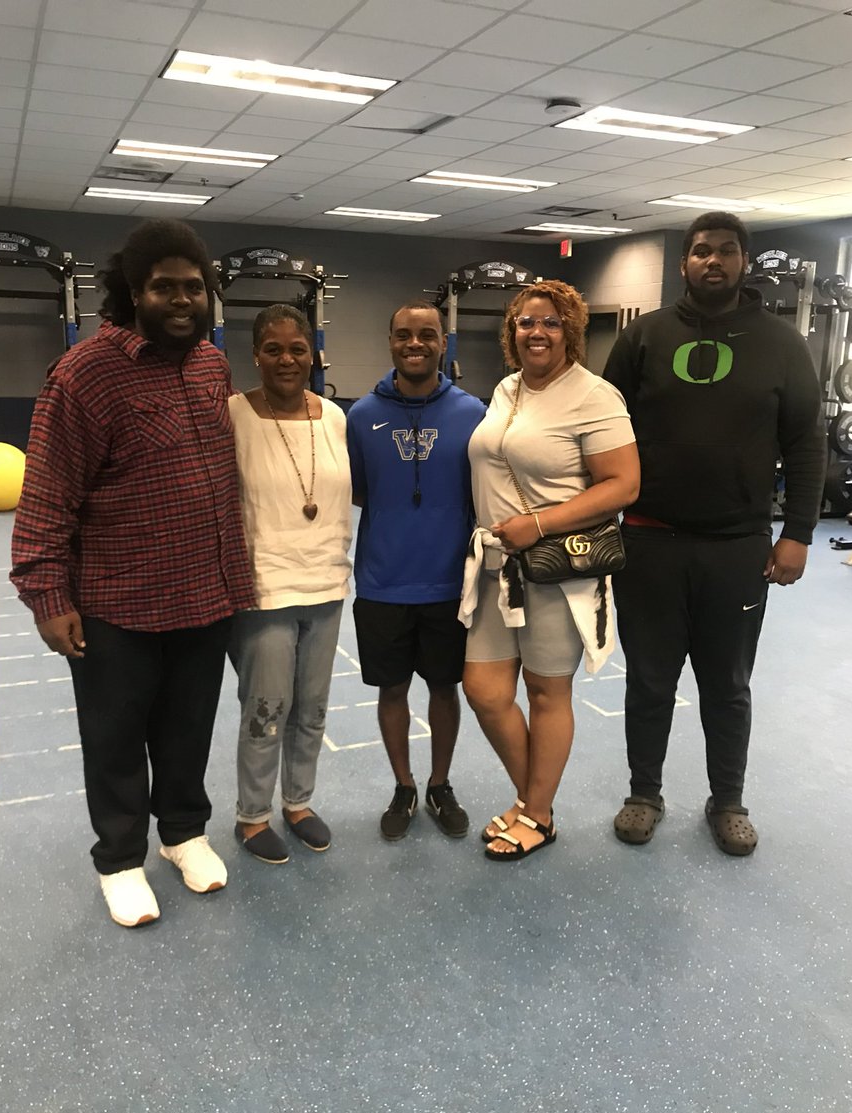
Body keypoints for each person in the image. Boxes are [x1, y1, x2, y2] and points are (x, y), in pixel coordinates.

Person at [10, 218, 255, 928]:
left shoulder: (210, 364)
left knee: (187, 729)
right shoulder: (85, 374)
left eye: (193, 287)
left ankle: (181, 833)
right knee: (116, 739)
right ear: (132, 292)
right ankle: (120, 859)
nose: (181, 300)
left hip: (206, 593)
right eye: (163, 287)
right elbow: (47, 496)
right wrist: (46, 595)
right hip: (119, 601)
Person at [603, 211, 827, 856]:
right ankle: (643, 793)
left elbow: (807, 444)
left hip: (739, 546)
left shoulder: (782, 343)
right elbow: (603, 431)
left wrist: (800, 533)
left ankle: (727, 800)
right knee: (648, 680)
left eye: (726, 251)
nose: (713, 261)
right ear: (684, 263)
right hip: (649, 541)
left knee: (727, 684)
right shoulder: (643, 337)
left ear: (743, 261)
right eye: (701, 251)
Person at [462, 280, 640, 860]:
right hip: (495, 567)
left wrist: (538, 524)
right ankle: (533, 799)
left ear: (571, 332)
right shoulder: (506, 390)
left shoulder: (596, 396)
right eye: (526, 323)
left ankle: (536, 813)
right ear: (511, 331)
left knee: (544, 691)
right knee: (485, 691)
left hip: (555, 567)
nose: (537, 332)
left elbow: (624, 485)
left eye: (551, 323)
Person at [347, 301, 486, 840]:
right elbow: (359, 489)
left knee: (445, 688)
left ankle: (439, 783)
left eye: (427, 334)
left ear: (443, 342)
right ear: (390, 342)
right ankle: (404, 785)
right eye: (403, 334)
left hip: (451, 582)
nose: (415, 343)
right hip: (383, 580)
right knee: (392, 690)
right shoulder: (361, 416)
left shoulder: (472, 412)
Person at [228, 304, 352, 864]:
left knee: (313, 706)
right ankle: (252, 817)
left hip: (326, 582)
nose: (286, 359)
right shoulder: (231, 414)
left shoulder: (332, 417)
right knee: (266, 707)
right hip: (263, 588)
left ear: (312, 354)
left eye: (297, 348)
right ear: (255, 355)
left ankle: (298, 803)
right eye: (273, 349)